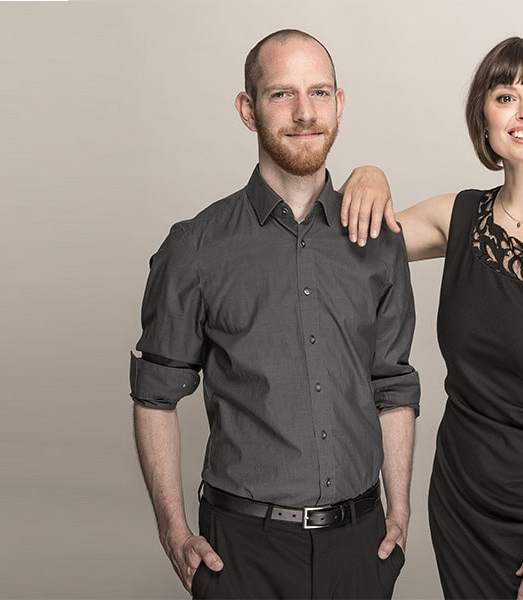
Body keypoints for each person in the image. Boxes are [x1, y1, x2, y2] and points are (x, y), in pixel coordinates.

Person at [339, 36, 523, 600]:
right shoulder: (456, 217)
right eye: (506, 97)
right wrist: (368, 173)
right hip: (464, 505)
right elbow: (343, 237)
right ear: (484, 118)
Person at [128, 29, 419, 599]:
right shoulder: (196, 247)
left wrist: (400, 511)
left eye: (319, 93)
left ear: (339, 104)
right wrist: (172, 530)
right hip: (242, 552)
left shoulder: (380, 240)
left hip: (360, 547)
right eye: (282, 94)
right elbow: (155, 396)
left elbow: (393, 384)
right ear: (248, 109)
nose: (305, 113)